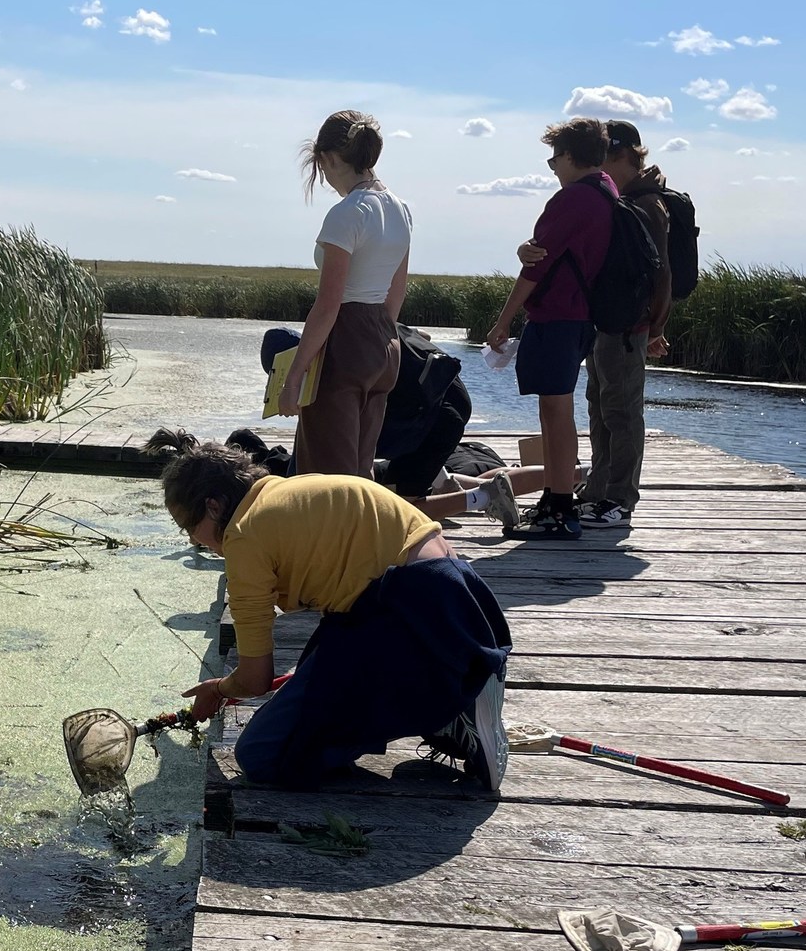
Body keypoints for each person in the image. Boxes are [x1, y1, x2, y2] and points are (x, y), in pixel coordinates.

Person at [163, 443, 511, 790]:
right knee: (318, 669)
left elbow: (255, 680)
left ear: (213, 506)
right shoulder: (289, 490)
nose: (194, 540)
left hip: (409, 616)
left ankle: (455, 702)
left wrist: (219, 688)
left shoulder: (244, 537)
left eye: (189, 527)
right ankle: (449, 701)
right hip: (464, 602)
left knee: (262, 753)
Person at [481, 117, 619, 537]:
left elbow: (535, 267)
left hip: (558, 317)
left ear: (572, 156)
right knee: (560, 411)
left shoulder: (573, 199)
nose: (553, 167)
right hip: (582, 319)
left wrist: (503, 321)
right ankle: (557, 501)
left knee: (555, 413)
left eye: (555, 158)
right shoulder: (607, 190)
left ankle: (559, 508)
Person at [272, 111, 413, 479]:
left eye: (322, 167)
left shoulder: (347, 213)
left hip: (345, 343)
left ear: (332, 158)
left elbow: (328, 304)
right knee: (360, 471)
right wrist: (381, 336)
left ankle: (337, 538)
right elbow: (396, 292)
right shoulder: (400, 209)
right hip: (385, 343)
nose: (326, 179)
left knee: (328, 478)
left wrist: (294, 377)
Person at [577, 120, 676, 528]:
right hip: (607, 325)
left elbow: (662, 273)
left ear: (620, 156)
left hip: (627, 328)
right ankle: (598, 491)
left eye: (601, 158)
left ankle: (620, 499)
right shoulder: (625, 198)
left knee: (622, 413)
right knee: (600, 410)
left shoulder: (647, 204)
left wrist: (655, 326)